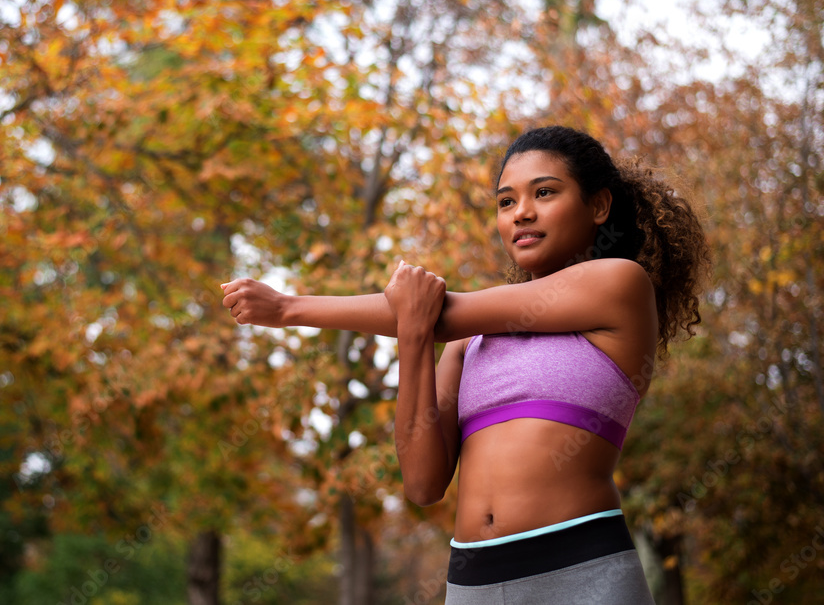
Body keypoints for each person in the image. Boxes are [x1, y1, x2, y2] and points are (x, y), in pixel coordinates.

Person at [221, 125, 710, 603]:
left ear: (599, 205)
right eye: (506, 201)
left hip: (581, 570)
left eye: (544, 192)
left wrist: (289, 308)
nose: (521, 213)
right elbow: (422, 484)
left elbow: (443, 313)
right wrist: (412, 336)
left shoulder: (620, 284)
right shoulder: (468, 342)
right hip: (471, 582)